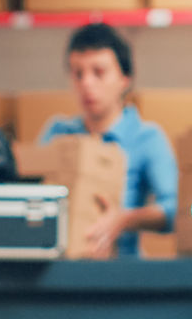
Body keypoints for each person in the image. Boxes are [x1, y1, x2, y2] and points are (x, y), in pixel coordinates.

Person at [40, 22, 178, 258]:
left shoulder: (147, 137)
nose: (86, 83)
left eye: (99, 72)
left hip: (121, 273)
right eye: (78, 73)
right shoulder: (57, 133)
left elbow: (175, 209)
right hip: (59, 271)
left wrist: (124, 220)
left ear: (125, 79)